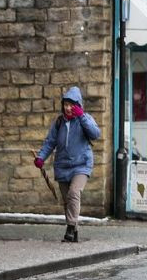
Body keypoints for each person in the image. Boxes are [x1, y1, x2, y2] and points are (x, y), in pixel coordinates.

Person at [34, 87, 101, 243]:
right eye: (66, 104)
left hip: (81, 164)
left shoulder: (85, 118)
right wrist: (41, 157)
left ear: (78, 105)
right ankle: (74, 232)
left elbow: (95, 134)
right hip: (63, 166)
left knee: (74, 193)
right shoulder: (59, 122)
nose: (68, 108)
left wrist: (82, 117)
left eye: (72, 104)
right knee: (67, 201)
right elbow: (50, 142)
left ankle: (70, 227)